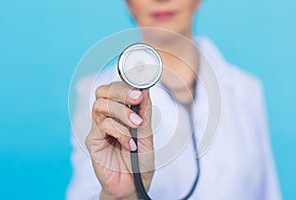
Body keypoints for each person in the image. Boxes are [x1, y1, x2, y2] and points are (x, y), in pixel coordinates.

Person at [67, 0, 281, 199]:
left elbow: (267, 192)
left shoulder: (247, 90)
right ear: (128, 3)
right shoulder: (99, 97)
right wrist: (120, 197)